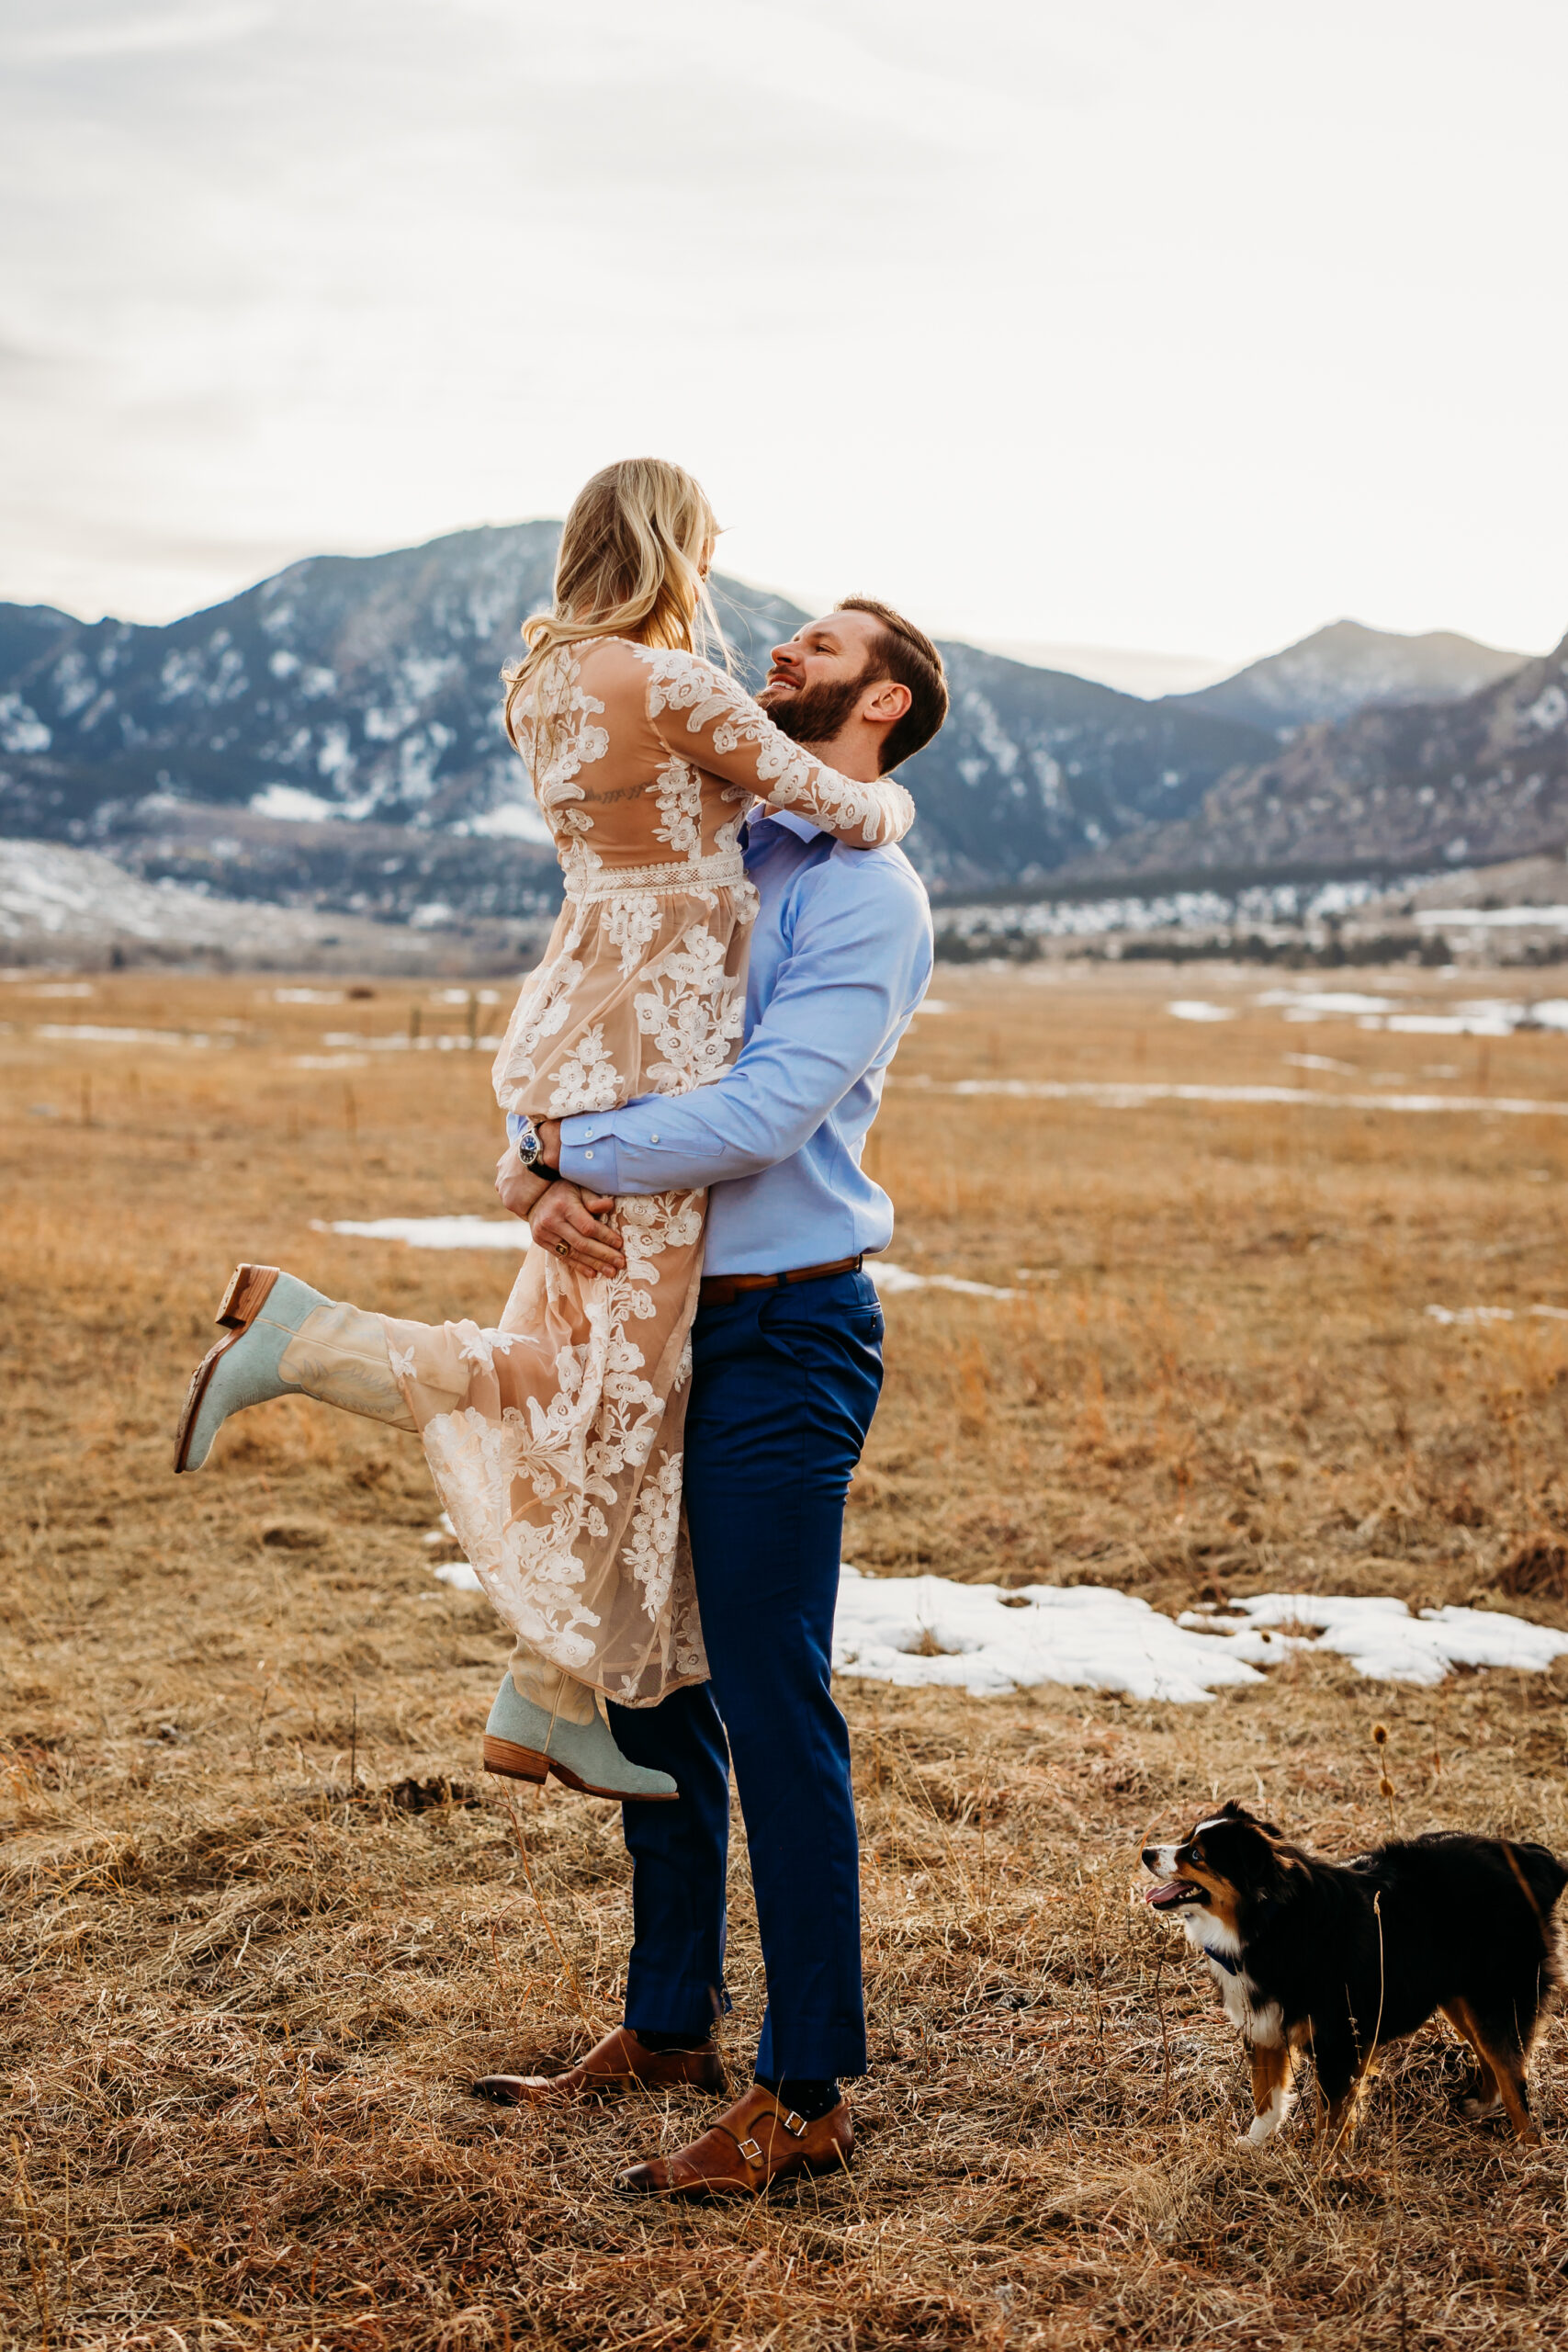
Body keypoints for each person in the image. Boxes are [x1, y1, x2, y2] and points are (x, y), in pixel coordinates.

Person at [171, 458, 917, 1808]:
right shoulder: (674, 685)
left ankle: (550, 1686)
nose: (752, 609)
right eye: (708, 546)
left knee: (579, 1370)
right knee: (605, 1386)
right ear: (673, 545)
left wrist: (537, 1147)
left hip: (584, 1025)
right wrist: (898, 803)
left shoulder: (544, 685)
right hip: (646, 1049)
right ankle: (311, 1347)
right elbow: (853, 809)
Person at [470, 594, 946, 2198]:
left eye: (822, 648)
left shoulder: (867, 896)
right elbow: (600, 1036)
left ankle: (807, 2089)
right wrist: (530, 1167)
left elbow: (760, 1111)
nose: (781, 654)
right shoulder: (711, 849)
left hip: (781, 1331)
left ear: (882, 704)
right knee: (653, 1679)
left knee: (766, 1688)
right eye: (789, 637)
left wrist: (564, 1156)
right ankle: (668, 2022)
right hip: (641, 1317)